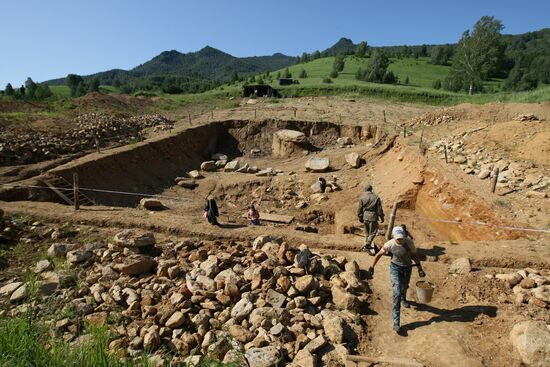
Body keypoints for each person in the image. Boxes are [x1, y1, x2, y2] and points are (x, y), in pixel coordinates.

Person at [368, 226, 426, 334]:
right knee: (396, 292)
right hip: (395, 268)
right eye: (398, 238)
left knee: (404, 287)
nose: (400, 240)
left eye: (402, 238)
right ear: (394, 237)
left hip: (407, 268)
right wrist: (372, 267)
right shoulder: (389, 244)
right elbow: (379, 254)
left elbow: (415, 256)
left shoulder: (409, 243)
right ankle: (396, 322)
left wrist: (420, 269)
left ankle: (404, 299)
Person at [357, 183, 384, 255]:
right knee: (373, 232)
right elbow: (379, 209)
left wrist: (360, 217)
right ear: (371, 189)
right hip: (373, 216)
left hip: (365, 216)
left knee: (367, 232)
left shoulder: (362, 198)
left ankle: (367, 244)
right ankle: (367, 245)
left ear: (365, 190)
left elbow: (359, 209)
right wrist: (382, 217)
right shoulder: (376, 197)